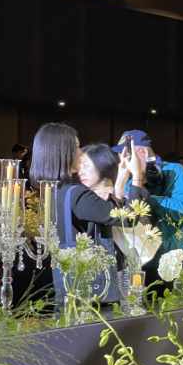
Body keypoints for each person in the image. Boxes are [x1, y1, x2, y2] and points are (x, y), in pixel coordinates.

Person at [29, 124, 137, 306]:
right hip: (91, 291)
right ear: (63, 152)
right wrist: (138, 178)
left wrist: (119, 183)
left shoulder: (52, 192)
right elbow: (126, 217)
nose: (81, 153)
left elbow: (107, 213)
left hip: (63, 285)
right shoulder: (76, 194)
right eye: (77, 147)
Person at [113, 130, 183, 255]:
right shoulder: (130, 181)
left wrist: (147, 199)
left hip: (172, 254)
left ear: (143, 153)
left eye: (126, 155)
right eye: (120, 155)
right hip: (140, 254)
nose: (122, 160)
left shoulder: (176, 171)